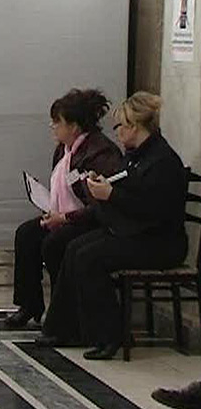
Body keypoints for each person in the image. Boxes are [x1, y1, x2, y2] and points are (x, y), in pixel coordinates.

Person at [40, 92, 188, 360]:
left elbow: (153, 209)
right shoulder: (136, 156)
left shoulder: (162, 161)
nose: (117, 132)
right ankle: (64, 327)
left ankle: (108, 335)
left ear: (135, 126)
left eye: (120, 126)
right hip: (135, 232)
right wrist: (104, 186)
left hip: (160, 241)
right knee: (74, 248)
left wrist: (111, 195)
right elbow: (128, 187)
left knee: (89, 258)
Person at [6, 89, 122, 328]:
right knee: (26, 234)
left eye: (57, 122)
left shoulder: (100, 152)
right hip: (65, 215)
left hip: (90, 220)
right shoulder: (64, 150)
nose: (52, 127)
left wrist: (65, 217)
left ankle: (65, 313)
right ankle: (29, 304)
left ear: (74, 126)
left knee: (54, 243)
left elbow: (99, 205)